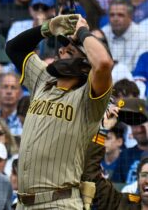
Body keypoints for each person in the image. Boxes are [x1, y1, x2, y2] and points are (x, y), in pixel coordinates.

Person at [6, 13, 113, 209]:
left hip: (60, 202)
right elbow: (13, 48)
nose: (61, 50)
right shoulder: (43, 79)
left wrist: (82, 31)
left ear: (85, 65)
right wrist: (47, 28)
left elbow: (104, 63)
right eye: (63, 47)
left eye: (70, 51)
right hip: (23, 204)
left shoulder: (89, 98)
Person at [101, 0, 148, 71]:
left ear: (130, 17)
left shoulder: (143, 36)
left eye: (120, 15)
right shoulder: (102, 33)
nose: (115, 19)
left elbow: (139, 69)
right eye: (112, 15)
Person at [112, 98, 148, 184]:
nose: (138, 129)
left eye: (142, 123)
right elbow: (116, 187)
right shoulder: (125, 155)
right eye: (133, 123)